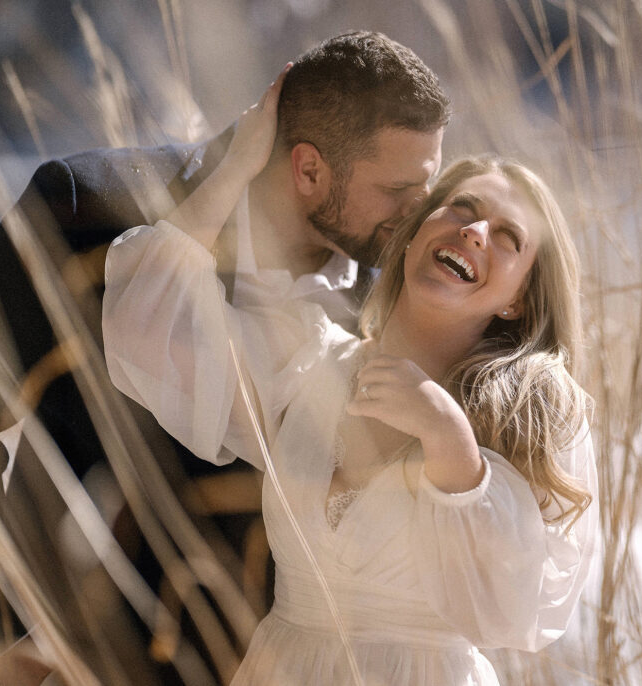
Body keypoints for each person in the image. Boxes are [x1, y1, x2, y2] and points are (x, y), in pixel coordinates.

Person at [0, 31, 449, 684]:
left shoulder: (387, 301)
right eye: (400, 189)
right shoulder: (84, 209)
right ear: (308, 170)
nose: (423, 214)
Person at [102, 70, 597, 685]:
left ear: (517, 300)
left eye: (507, 237)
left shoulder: (534, 414)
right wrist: (235, 168)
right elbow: (149, 329)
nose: (474, 231)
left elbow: (515, 614)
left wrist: (450, 444)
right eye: (462, 210)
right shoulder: (309, 362)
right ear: (414, 236)